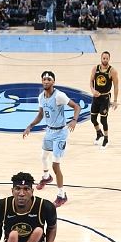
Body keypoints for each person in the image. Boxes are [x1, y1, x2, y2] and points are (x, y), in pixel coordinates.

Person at [23, 71, 81, 207]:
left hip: (60, 132)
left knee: (55, 165)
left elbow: (77, 107)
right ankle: (46, 177)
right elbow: (41, 115)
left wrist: (74, 120)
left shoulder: (59, 96)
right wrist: (30, 126)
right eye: (44, 79)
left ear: (53, 82)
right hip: (49, 131)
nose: (46, 81)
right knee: (43, 157)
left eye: (49, 79)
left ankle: (62, 195)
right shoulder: (41, 97)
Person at [89, 51, 119, 149]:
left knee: (103, 119)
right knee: (93, 118)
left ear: (109, 59)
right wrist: (93, 90)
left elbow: (116, 86)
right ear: (101, 58)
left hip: (105, 98)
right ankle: (99, 133)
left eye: (107, 58)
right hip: (96, 97)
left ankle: (106, 139)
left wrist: (115, 100)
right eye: (103, 58)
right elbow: (91, 81)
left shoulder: (112, 71)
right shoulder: (95, 68)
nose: (105, 60)